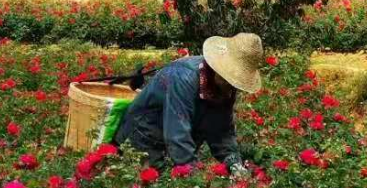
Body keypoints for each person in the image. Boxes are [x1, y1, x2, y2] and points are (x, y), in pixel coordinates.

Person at [112, 33, 263, 175]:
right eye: (229, 78)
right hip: (143, 137)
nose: (232, 85)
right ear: (218, 67)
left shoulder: (226, 87)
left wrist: (235, 165)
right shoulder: (183, 77)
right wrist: (193, 179)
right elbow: (177, 134)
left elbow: (222, 132)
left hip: (168, 141)